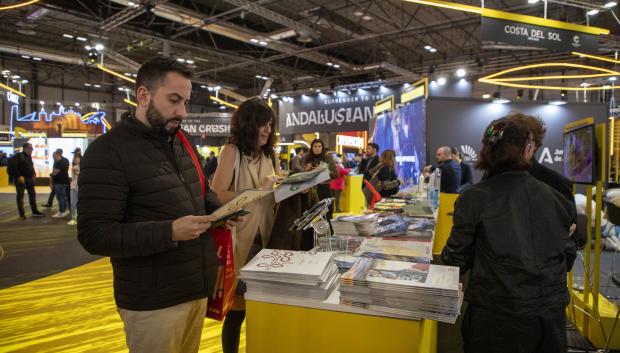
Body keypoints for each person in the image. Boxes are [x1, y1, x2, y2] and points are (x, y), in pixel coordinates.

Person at [78, 57, 226, 353]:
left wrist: (221, 212)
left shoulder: (181, 140)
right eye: (174, 100)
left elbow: (200, 191)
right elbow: (94, 234)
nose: (182, 111)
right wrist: (169, 231)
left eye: (185, 101)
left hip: (195, 287)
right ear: (143, 95)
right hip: (152, 301)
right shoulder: (107, 152)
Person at [441, 117, 577, 353]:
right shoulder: (558, 198)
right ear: (527, 149)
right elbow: (567, 257)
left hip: (494, 317)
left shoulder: (475, 197)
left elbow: (455, 259)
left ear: (486, 150)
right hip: (549, 319)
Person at [210, 98, 282, 353]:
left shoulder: (267, 154)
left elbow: (271, 193)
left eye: (270, 125)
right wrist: (258, 191)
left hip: (267, 236)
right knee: (237, 309)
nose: (267, 130)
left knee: (262, 307)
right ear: (249, 124)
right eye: (263, 124)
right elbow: (217, 194)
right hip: (241, 238)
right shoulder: (232, 152)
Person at [304, 138, 339, 220]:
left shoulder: (327, 158)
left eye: (319, 146)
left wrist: (322, 170)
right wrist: (305, 170)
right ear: (312, 148)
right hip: (310, 190)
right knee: (312, 217)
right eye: (315, 146)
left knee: (327, 215)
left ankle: (328, 232)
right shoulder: (307, 158)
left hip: (324, 190)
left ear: (322, 148)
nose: (317, 148)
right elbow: (302, 175)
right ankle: (312, 233)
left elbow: (335, 174)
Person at [12, 143, 44, 220]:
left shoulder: (28, 156)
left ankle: (34, 211)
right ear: (25, 148)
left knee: (32, 195)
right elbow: (12, 167)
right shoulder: (18, 156)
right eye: (30, 148)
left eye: (32, 149)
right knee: (20, 197)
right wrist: (19, 176)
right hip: (21, 180)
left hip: (29, 179)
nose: (32, 150)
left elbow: (31, 166)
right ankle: (21, 214)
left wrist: (34, 173)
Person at [51, 150, 70, 218]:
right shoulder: (60, 161)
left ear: (58, 154)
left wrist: (52, 174)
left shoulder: (62, 161)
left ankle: (62, 211)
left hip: (61, 182)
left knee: (61, 197)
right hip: (59, 182)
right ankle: (62, 210)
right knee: (61, 197)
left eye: (54, 156)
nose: (53, 157)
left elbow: (55, 172)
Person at [67, 155, 80, 226]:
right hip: (74, 187)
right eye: (74, 159)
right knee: (73, 203)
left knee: (75, 203)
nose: (75, 160)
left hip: (78, 187)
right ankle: (74, 218)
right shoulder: (75, 167)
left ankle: (75, 218)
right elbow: (75, 173)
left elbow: (76, 173)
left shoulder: (80, 167)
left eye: (77, 159)